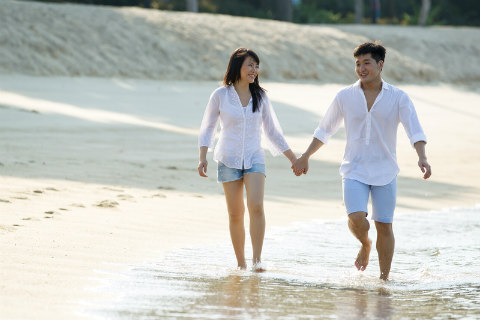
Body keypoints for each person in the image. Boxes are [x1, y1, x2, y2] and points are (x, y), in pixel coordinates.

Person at [293, 42, 432, 280]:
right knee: (356, 218)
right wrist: (306, 155)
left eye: (366, 63)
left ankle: (384, 280)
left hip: (386, 170)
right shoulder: (345, 96)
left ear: (380, 65)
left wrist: (422, 157)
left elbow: (414, 131)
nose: (361, 68)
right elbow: (324, 130)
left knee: (384, 225)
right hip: (354, 168)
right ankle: (366, 244)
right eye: (357, 64)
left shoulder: (399, 97)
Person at [198, 48, 297, 271]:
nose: (254, 70)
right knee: (235, 213)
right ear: (237, 67)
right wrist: (203, 156)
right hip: (227, 158)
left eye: (256, 66)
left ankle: (257, 260)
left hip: (254, 156)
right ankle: (241, 263)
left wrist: (293, 158)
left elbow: (272, 132)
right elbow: (208, 127)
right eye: (250, 65)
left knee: (256, 206)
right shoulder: (220, 95)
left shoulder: (261, 96)